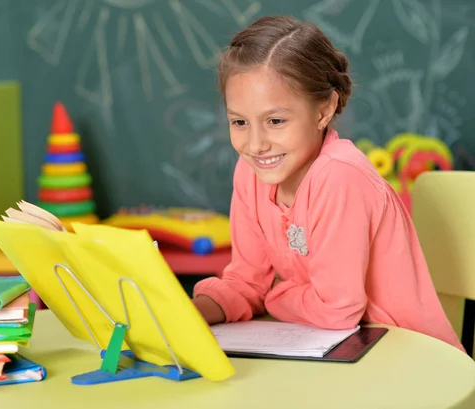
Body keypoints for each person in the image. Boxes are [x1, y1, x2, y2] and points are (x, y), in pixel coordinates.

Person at [192, 15, 465, 352]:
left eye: (275, 121)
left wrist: (274, 294)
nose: (255, 143)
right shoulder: (251, 173)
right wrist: (191, 313)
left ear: (324, 110)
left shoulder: (340, 177)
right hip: (338, 353)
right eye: (239, 122)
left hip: (407, 357)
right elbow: (247, 282)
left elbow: (338, 310)